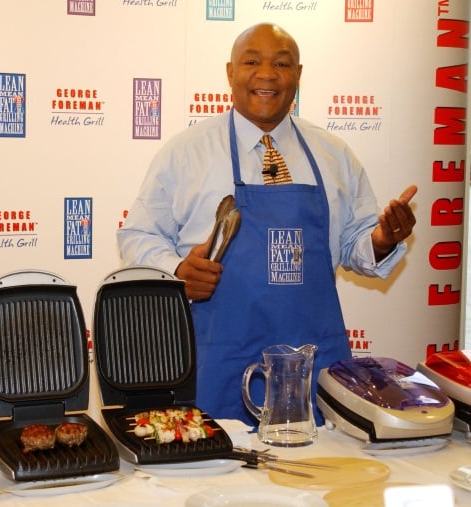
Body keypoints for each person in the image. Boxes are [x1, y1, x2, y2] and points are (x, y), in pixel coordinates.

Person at [117, 23, 417, 426]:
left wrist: (381, 241)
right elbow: (138, 234)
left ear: (298, 74)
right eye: (252, 62)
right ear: (230, 73)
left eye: (281, 64)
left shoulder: (334, 155)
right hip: (216, 363)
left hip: (313, 367)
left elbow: (355, 244)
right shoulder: (185, 153)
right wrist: (176, 272)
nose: (267, 74)